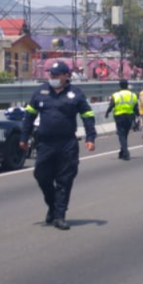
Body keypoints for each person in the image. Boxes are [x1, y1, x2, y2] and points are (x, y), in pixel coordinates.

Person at [20, 61, 96, 231]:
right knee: (41, 176)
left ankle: (60, 216)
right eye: (51, 74)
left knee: (65, 179)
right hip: (45, 143)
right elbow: (29, 116)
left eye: (56, 75)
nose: (52, 77)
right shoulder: (41, 92)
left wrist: (90, 137)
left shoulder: (75, 94)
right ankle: (53, 205)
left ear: (65, 76)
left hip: (67, 143)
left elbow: (87, 115)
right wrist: (24, 137)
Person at [105, 80, 138, 161]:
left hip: (119, 116)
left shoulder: (116, 95)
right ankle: (122, 152)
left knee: (121, 135)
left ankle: (126, 153)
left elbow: (112, 105)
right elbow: (135, 107)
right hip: (130, 116)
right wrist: (139, 116)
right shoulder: (133, 95)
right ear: (127, 85)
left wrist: (107, 113)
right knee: (125, 135)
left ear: (120, 86)